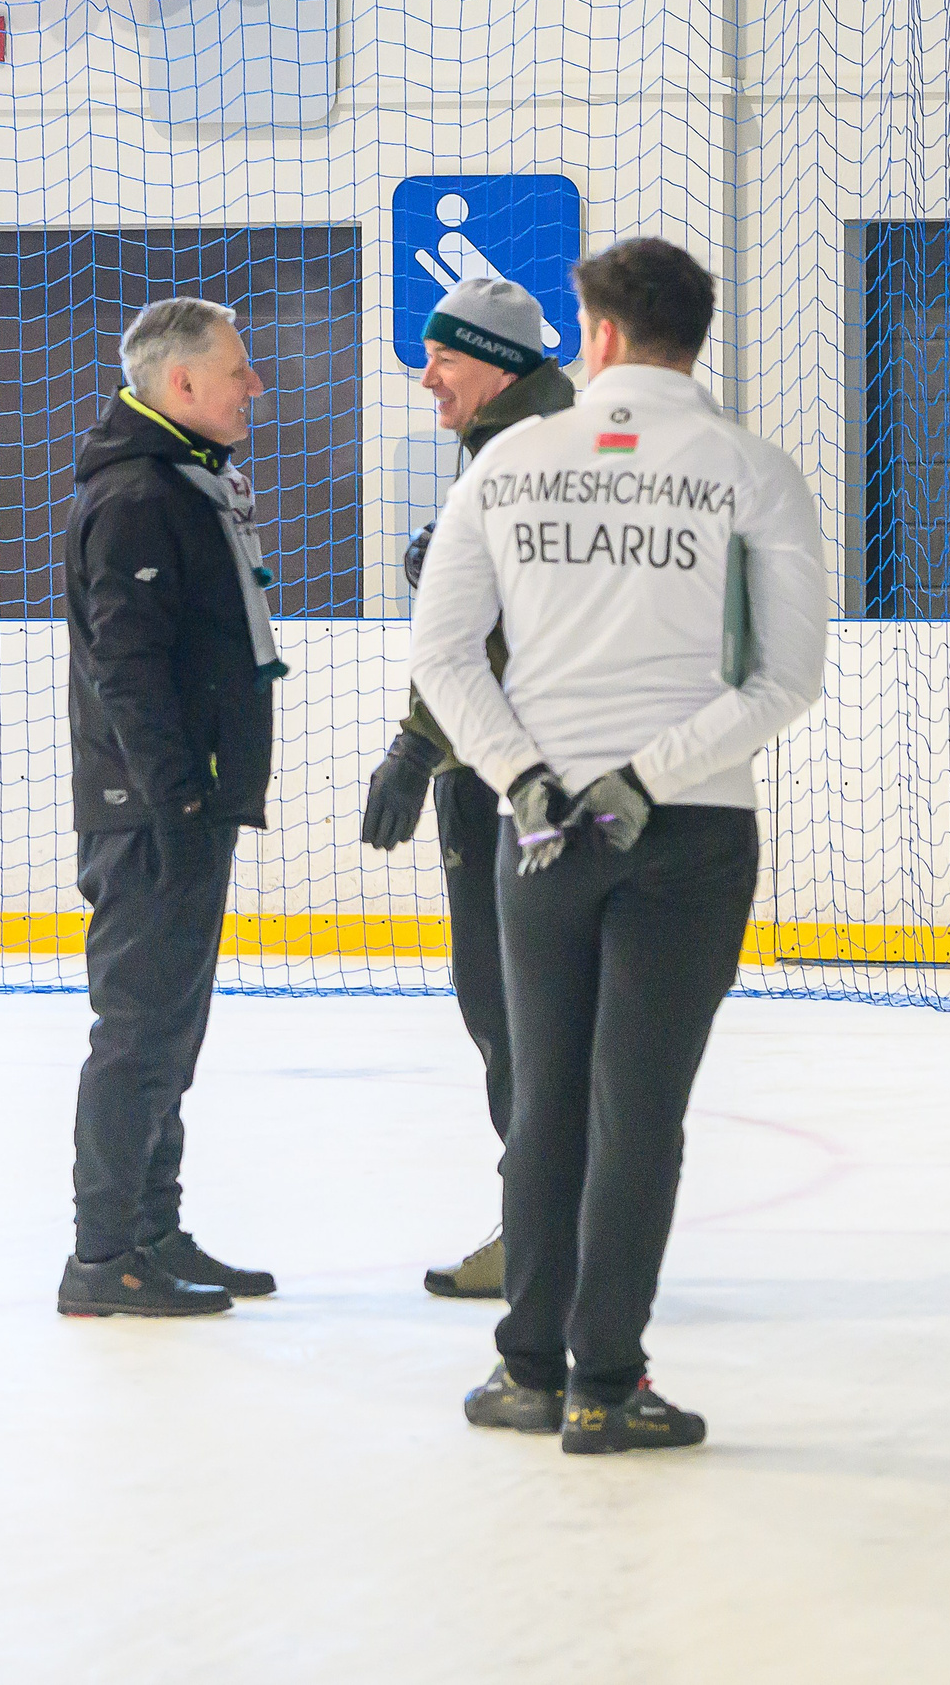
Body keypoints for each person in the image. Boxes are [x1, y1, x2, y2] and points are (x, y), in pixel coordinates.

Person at [411, 238, 827, 1452]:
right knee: (638, 1108)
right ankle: (606, 1383)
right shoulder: (752, 470)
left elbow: (441, 657)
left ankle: (527, 1371)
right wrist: (639, 779)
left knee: (545, 1097)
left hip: (538, 836)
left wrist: (530, 781)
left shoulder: (507, 466)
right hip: (688, 830)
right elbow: (786, 680)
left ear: (593, 336)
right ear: (695, 335)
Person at [56, 298, 283, 1318]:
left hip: (178, 803)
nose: (255, 386)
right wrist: (176, 795)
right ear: (181, 383)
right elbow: (126, 664)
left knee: (168, 1033)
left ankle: (153, 1230)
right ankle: (103, 1259)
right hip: (151, 810)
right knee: (140, 1032)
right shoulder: (140, 495)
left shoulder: (185, 481)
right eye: (239, 370)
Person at [359, 278, 576, 1301]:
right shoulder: (512, 441)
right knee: (519, 1012)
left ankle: (547, 1241)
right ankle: (555, 1229)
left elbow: (479, 644)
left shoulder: (524, 452)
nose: (427, 375)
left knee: (515, 1011)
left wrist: (414, 749)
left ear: (497, 361)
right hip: (515, 773)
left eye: (444, 356)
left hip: (512, 777)